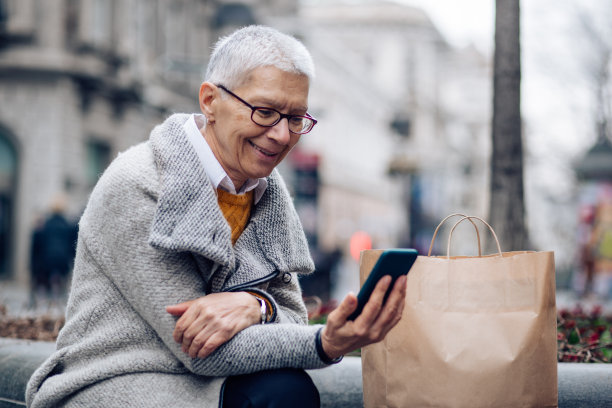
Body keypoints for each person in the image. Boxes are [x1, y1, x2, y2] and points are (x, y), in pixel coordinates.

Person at [26, 25, 406, 408]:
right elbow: (199, 347)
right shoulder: (140, 183)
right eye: (265, 112)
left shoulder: (268, 191)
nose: (281, 135)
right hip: (113, 381)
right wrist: (324, 342)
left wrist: (257, 305)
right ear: (210, 100)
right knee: (282, 393)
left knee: (284, 389)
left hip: (201, 383)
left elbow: (290, 310)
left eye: (295, 119)